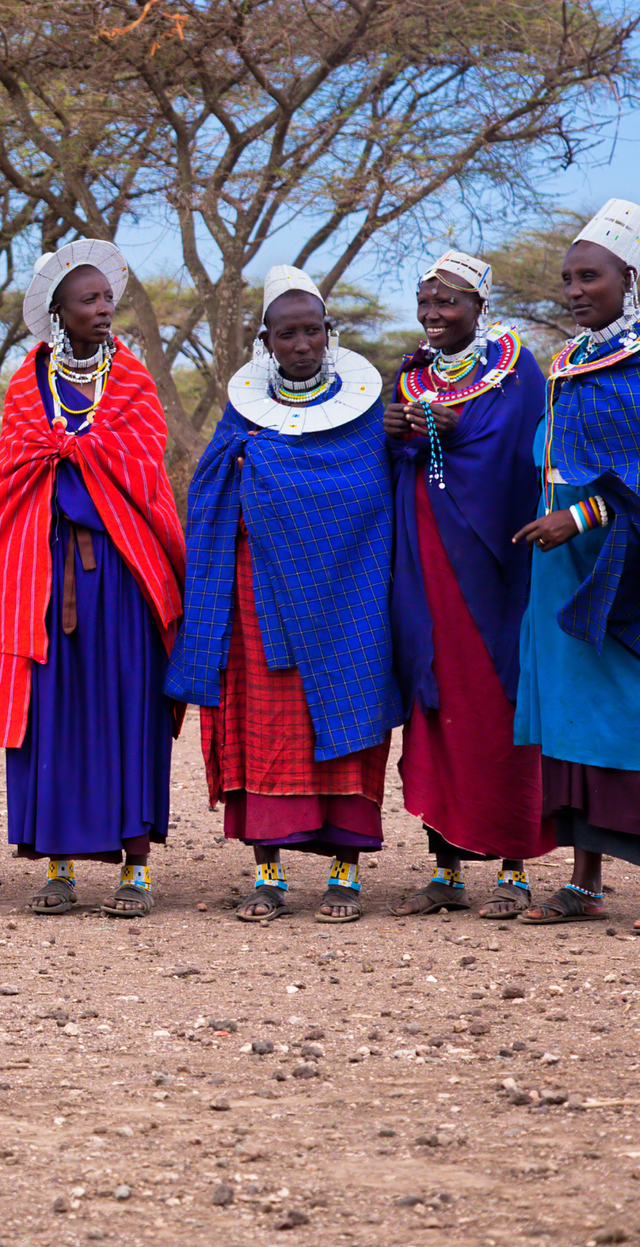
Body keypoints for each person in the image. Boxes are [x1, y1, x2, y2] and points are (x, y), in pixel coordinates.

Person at [168, 265, 401, 924]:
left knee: (348, 725)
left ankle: (345, 877)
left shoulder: (364, 419)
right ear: (264, 341)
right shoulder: (242, 415)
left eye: (312, 333)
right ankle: (267, 873)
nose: (301, 346)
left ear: (330, 334)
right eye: (287, 335)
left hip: (348, 599)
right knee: (263, 730)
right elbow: (211, 493)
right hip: (257, 598)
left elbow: (372, 498)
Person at [0, 241, 185, 917]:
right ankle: (59, 865)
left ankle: (136, 868)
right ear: (57, 312)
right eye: (88, 300)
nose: (103, 308)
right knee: (53, 717)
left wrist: (78, 457)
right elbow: (8, 474)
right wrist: (62, 461)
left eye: (106, 298)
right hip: (42, 573)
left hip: (121, 575)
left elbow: (144, 467)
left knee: (129, 709)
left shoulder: (131, 379)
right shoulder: (22, 384)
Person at [384, 254, 552, 918]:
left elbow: (526, 452)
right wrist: (396, 430)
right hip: (425, 561)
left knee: (500, 707)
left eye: (448, 301)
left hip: (495, 567)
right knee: (436, 704)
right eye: (425, 300)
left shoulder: (516, 370)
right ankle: (446, 867)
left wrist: (457, 435)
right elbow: (397, 455)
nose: (433, 313)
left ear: (479, 306)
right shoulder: (412, 371)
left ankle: (514, 869)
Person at [513, 199, 640, 927]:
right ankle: (585, 882)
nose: (573, 291)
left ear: (628, 276)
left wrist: (583, 515)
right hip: (559, 561)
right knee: (570, 717)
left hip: (623, 561)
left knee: (629, 711)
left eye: (589, 277)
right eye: (566, 279)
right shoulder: (569, 360)